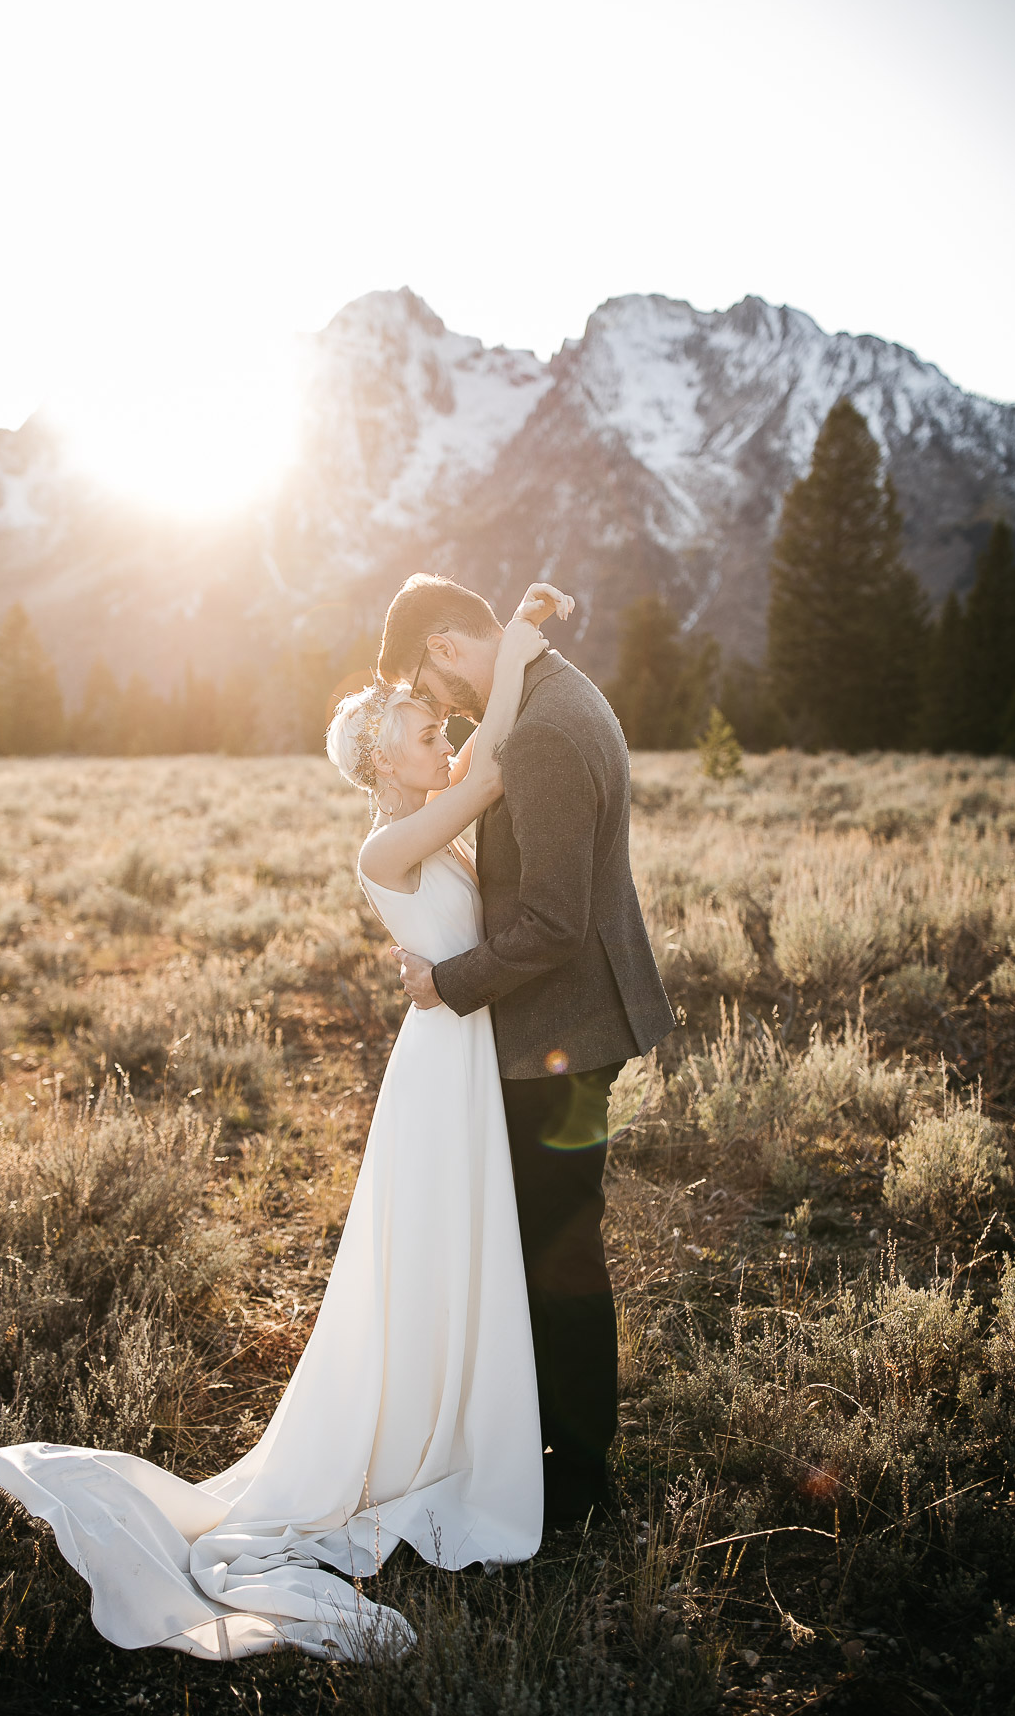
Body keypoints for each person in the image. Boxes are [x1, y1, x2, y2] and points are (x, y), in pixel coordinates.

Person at [0, 582, 569, 1664]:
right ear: (382, 764)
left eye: (439, 729)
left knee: (461, 1249)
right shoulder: (385, 848)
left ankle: (456, 1421)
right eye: (428, 732)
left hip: (462, 1050)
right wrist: (519, 644)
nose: (446, 741)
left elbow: (477, 805)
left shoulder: (426, 834)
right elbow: (489, 774)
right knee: (439, 1247)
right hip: (440, 1071)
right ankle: (423, 1440)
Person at [377, 573, 675, 1526]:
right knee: (547, 1246)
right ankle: (538, 1446)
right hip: (570, 1022)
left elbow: (548, 922)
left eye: (436, 687)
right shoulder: (559, 692)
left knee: (559, 1256)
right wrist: (516, 635)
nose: (448, 712)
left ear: (447, 646)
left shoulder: (543, 731)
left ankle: (578, 1483)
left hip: (558, 1033)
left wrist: (448, 984)